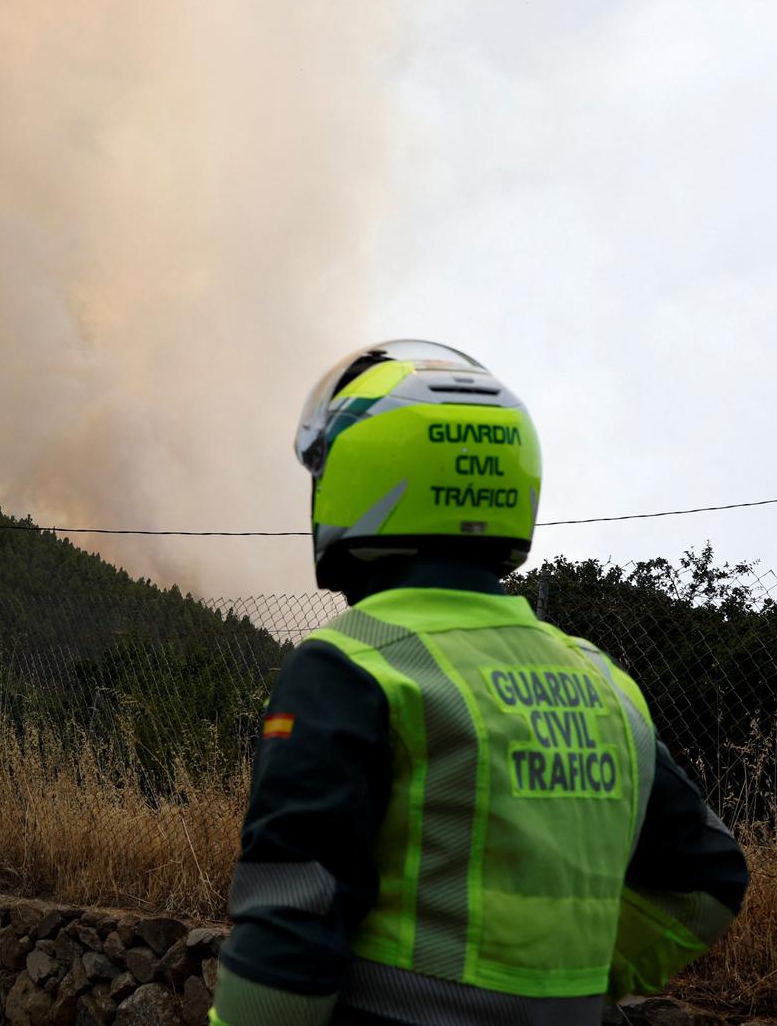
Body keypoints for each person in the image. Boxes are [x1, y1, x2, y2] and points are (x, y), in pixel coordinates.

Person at [211, 341, 748, 1026]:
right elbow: (709, 878)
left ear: (365, 474)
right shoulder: (604, 682)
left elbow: (291, 911)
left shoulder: (350, 664)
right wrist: (571, 989)